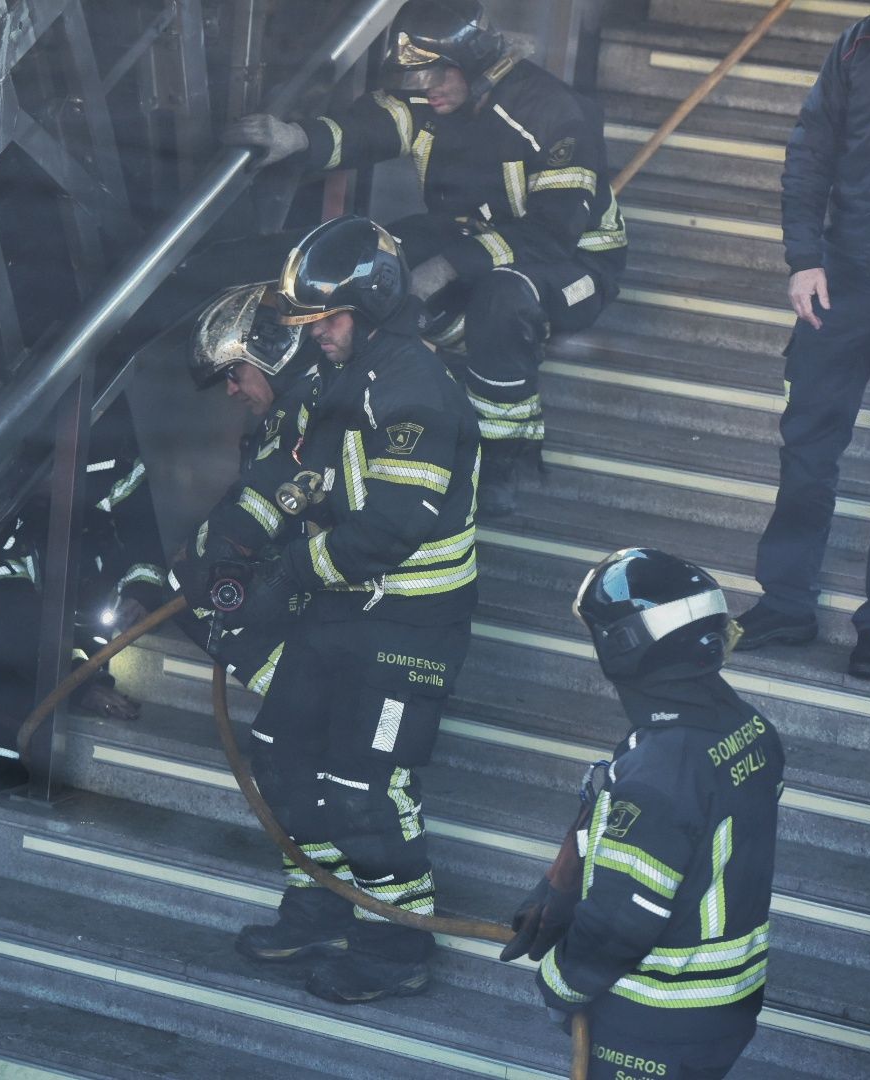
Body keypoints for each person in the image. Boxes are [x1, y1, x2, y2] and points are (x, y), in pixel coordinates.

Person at [198, 215, 479, 1004]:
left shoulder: (415, 385)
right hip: (342, 614)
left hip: (408, 625)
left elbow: (392, 525)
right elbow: (288, 482)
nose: (315, 334)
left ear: (373, 303)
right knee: (284, 760)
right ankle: (321, 904)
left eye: (327, 318)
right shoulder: (338, 383)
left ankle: (394, 945)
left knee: (361, 786)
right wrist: (227, 546)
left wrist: (289, 572)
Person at [221, 0, 627, 516]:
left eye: (437, 71)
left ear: (475, 63)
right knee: (373, 259)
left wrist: (446, 267)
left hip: (577, 261)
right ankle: (346, 409)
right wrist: (297, 138)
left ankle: (504, 458)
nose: (425, 86)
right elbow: (368, 127)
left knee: (502, 302)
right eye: (417, 74)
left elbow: (552, 234)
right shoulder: (434, 99)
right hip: (473, 234)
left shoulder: (556, 113)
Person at [504, 548, 784, 1079]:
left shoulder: (662, 765)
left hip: (657, 1010)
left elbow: (623, 918)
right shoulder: (746, 727)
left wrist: (563, 983)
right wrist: (556, 893)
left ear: (624, 648)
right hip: (723, 1002)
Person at [732, 2, 870, 681]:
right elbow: (810, 151)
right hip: (838, 285)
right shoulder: (863, 42)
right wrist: (802, 258)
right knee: (807, 451)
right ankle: (785, 602)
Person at [169, 279, 313, 700]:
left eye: (234, 373)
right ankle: (294, 700)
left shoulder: (312, 409)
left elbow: (273, 490)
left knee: (199, 591)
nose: (231, 390)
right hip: (306, 586)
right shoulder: (287, 416)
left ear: (273, 352)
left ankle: (299, 697)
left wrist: (220, 550)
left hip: (338, 597)